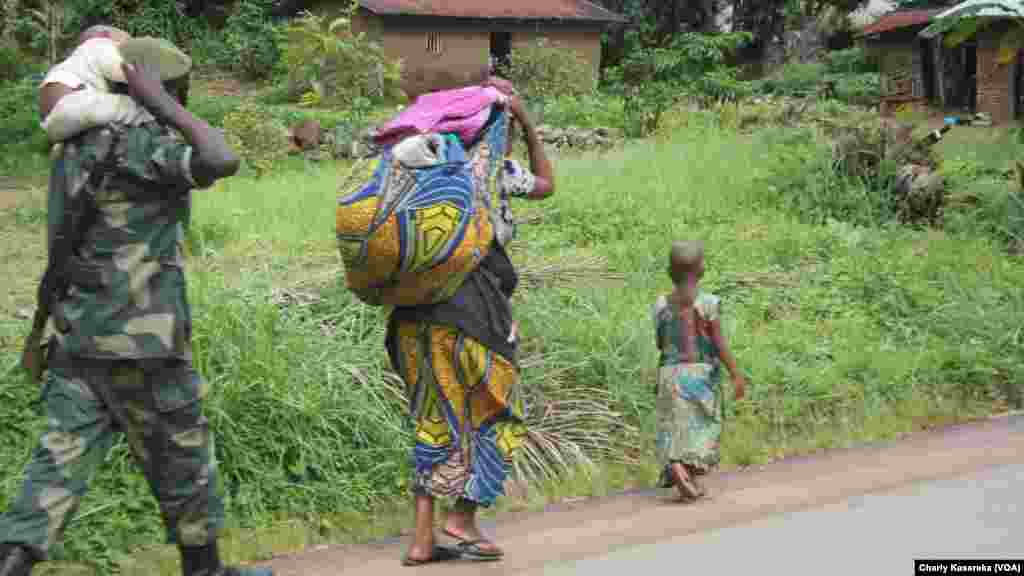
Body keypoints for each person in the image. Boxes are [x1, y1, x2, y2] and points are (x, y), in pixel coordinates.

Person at [0, 45, 272, 576]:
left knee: (54, 469)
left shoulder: (73, 146)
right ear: (153, 92)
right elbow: (220, 158)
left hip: (78, 334)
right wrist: (165, 108)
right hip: (145, 343)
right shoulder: (144, 145)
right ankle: (205, 571)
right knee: (184, 459)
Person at [386, 78, 554, 566]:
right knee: (500, 416)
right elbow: (546, 185)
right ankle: (462, 518)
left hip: (412, 317)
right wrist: (524, 120)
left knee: (432, 422)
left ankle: (421, 540)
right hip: (475, 314)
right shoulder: (494, 170)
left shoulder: (408, 169)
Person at [653, 241, 746, 501]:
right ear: (700, 270)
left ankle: (678, 468)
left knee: (674, 427)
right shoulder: (708, 303)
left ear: (670, 271)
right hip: (700, 375)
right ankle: (684, 469)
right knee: (702, 428)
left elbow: (660, 342)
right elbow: (719, 343)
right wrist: (736, 374)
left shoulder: (661, 304)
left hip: (669, 373)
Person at [38, 25, 152, 144]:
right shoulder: (98, 45)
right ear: (105, 35)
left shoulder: (74, 62)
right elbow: (121, 68)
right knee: (133, 108)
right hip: (74, 102)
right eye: (127, 39)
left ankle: (66, 147)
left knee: (96, 126)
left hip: (51, 124)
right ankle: (158, 122)